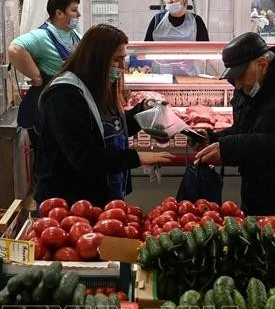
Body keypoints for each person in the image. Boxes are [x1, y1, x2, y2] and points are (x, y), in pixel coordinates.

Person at [34, 24, 174, 208]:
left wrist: (144, 110)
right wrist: (136, 158)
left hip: (101, 194)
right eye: (117, 60)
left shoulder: (96, 86)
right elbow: (84, 157)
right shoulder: (64, 95)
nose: (122, 67)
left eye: (123, 60)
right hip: (70, 202)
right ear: (96, 59)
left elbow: (112, 129)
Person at [193, 32, 275, 218]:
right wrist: (213, 139)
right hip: (255, 196)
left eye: (240, 76)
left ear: (262, 64)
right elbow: (244, 129)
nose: (237, 85)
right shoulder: (248, 86)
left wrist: (229, 148)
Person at [8, 0, 82, 149]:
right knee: (50, 157)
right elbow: (15, 49)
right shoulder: (42, 36)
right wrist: (36, 76)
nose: (79, 15)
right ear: (59, 13)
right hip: (47, 108)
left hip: (67, 104)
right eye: (74, 10)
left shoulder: (73, 34)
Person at [143, 0, 209, 76]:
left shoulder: (196, 21)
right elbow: (145, 48)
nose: (170, 1)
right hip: (160, 76)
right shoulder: (157, 20)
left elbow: (206, 51)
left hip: (189, 76)